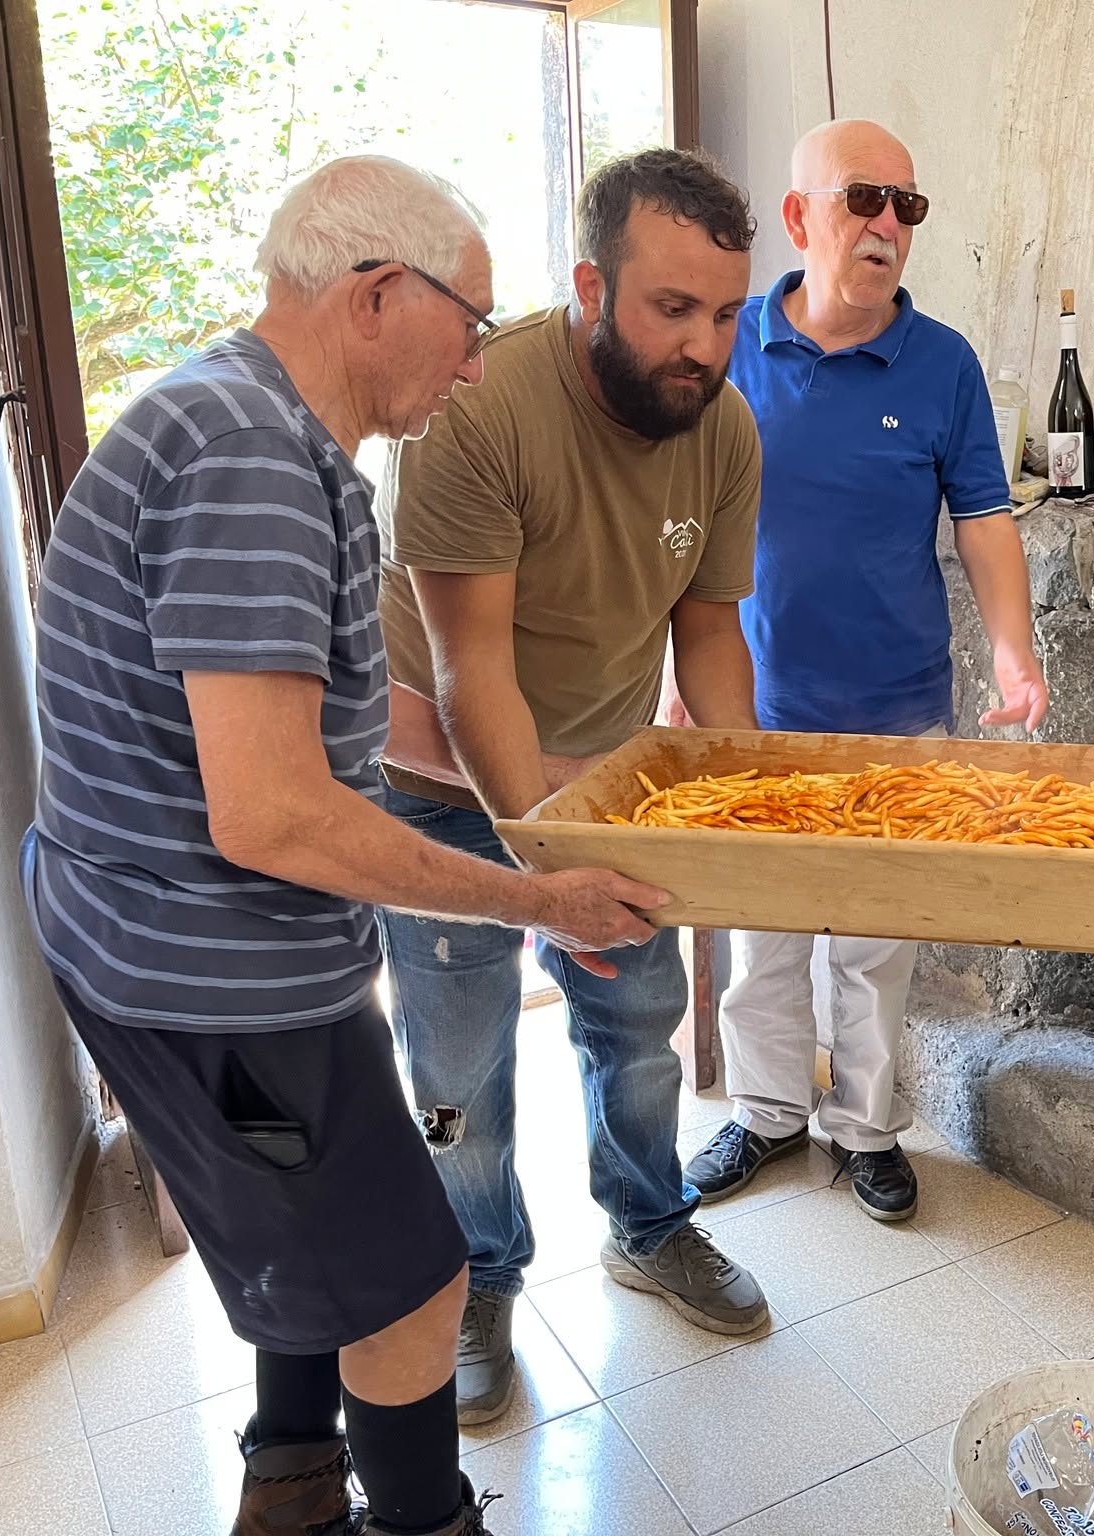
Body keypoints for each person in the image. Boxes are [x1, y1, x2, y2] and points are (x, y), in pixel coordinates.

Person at [26, 155, 667, 1536]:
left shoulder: (248, 422)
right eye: (475, 324)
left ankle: (294, 1488)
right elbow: (271, 810)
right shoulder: (252, 461)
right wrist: (536, 896)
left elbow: (318, 731)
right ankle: (422, 1519)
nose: (483, 368)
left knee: (321, 1254)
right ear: (380, 296)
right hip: (217, 986)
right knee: (414, 1283)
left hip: (194, 956)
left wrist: (546, 790)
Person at [375, 148, 769, 1425]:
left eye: (726, 314)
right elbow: (468, 669)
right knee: (457, 1065)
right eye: (671, 309)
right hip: (445, 781)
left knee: (636, 1029)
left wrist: (743, 808)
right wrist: (549, 875)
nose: (702, 347)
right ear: (593, 286)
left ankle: (650, 1226)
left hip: (613, 779)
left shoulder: (721, 426)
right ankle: (479, 1274)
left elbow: (708, 633)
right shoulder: (477, 413)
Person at [680, 119, 1049, 1223]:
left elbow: (983, 523)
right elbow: (673, 513)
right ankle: (764, 1113)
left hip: (899, 713)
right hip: (753, 712)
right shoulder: (730, 342)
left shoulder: (941, 363)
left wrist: (1014, 655)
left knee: (877, 947)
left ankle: (866, 1130)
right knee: (765, 939)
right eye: (863, 200)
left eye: (907, 206)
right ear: (799, 218)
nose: (888, 224)